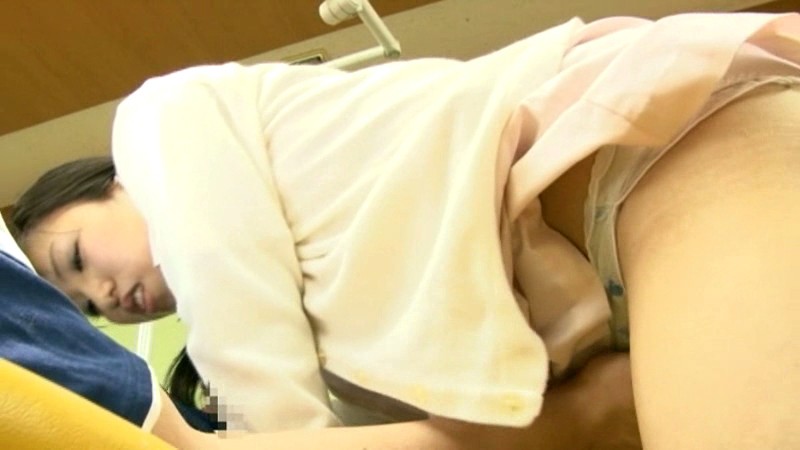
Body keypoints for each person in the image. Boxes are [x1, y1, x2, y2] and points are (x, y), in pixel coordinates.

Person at [12, 11, 800, 448]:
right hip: (623, 300)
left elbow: (246, 345)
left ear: (111, 185)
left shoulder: (157, 120)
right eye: (90, 309)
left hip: (650, 166)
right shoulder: (331, 337)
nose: (106, 296)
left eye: (77, 258)